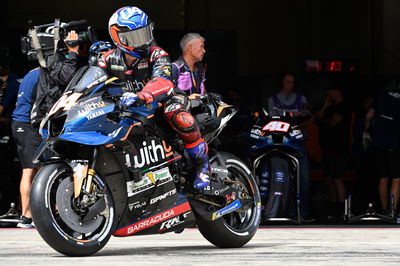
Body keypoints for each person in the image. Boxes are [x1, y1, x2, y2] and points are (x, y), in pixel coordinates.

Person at [99, 6, 210, 189]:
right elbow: (92, 82)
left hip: (165, 99)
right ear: (119, 37)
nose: (142, 42)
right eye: (135, 37)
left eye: (144, 34)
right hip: (129, 108)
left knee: (177, 114)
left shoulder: (157, 54)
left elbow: (164, 81)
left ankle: (202, 165)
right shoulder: (106, 59)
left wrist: (143, 95)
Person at [266, 72, 313, 220]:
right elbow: (272, 117)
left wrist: (295, 117)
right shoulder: (272, 100)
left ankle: (303, 213)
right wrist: (297, 115)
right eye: (287, 82)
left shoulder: (302, 99)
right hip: (279, 145)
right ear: (281, 83)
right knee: (283, 179)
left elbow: (309, 117)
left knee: (303, 179)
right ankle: (283, 211)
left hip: (298, 143)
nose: (290, 85)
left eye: (292, 82)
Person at [313, 84, 352, 219]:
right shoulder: (331, 106)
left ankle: (342, 210)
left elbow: (333, 123)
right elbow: (316, 119)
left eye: (330, 91)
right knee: (329, 179)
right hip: (328, 147)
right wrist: (325, 106)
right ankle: (333, 208)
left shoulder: (344, 106)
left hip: (339, 147)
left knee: (337, 179)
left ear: (337, 91)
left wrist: (323, 120)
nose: (328, 94)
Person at [11, 67, 42, 228]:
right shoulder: (41, 74)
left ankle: (35, 213)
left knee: (36, 168)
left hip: (21, 124)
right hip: (26, 124)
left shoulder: (30, 73)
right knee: (29, 169)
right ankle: (26, 215)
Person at [30, 30, 80, 127]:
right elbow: (64, 77)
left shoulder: (54, 57)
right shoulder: (52, 57)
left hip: (52, 112)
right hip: (49, 114)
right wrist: (73, 52)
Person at [364, 86, 400, 214]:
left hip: (378, 143)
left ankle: (384, 210)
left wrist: (367, 132)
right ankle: (392, 211)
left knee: (383, 177)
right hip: (395, 143)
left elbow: (368, 116)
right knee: (397, 178)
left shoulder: (382, 95)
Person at [171, 33, 206, 99]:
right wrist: (188, 98)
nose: (204, 51)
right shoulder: (175, 68)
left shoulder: (200, 69)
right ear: (190, 47)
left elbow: (204, 93)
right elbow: (167, 97)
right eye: (201, 47)